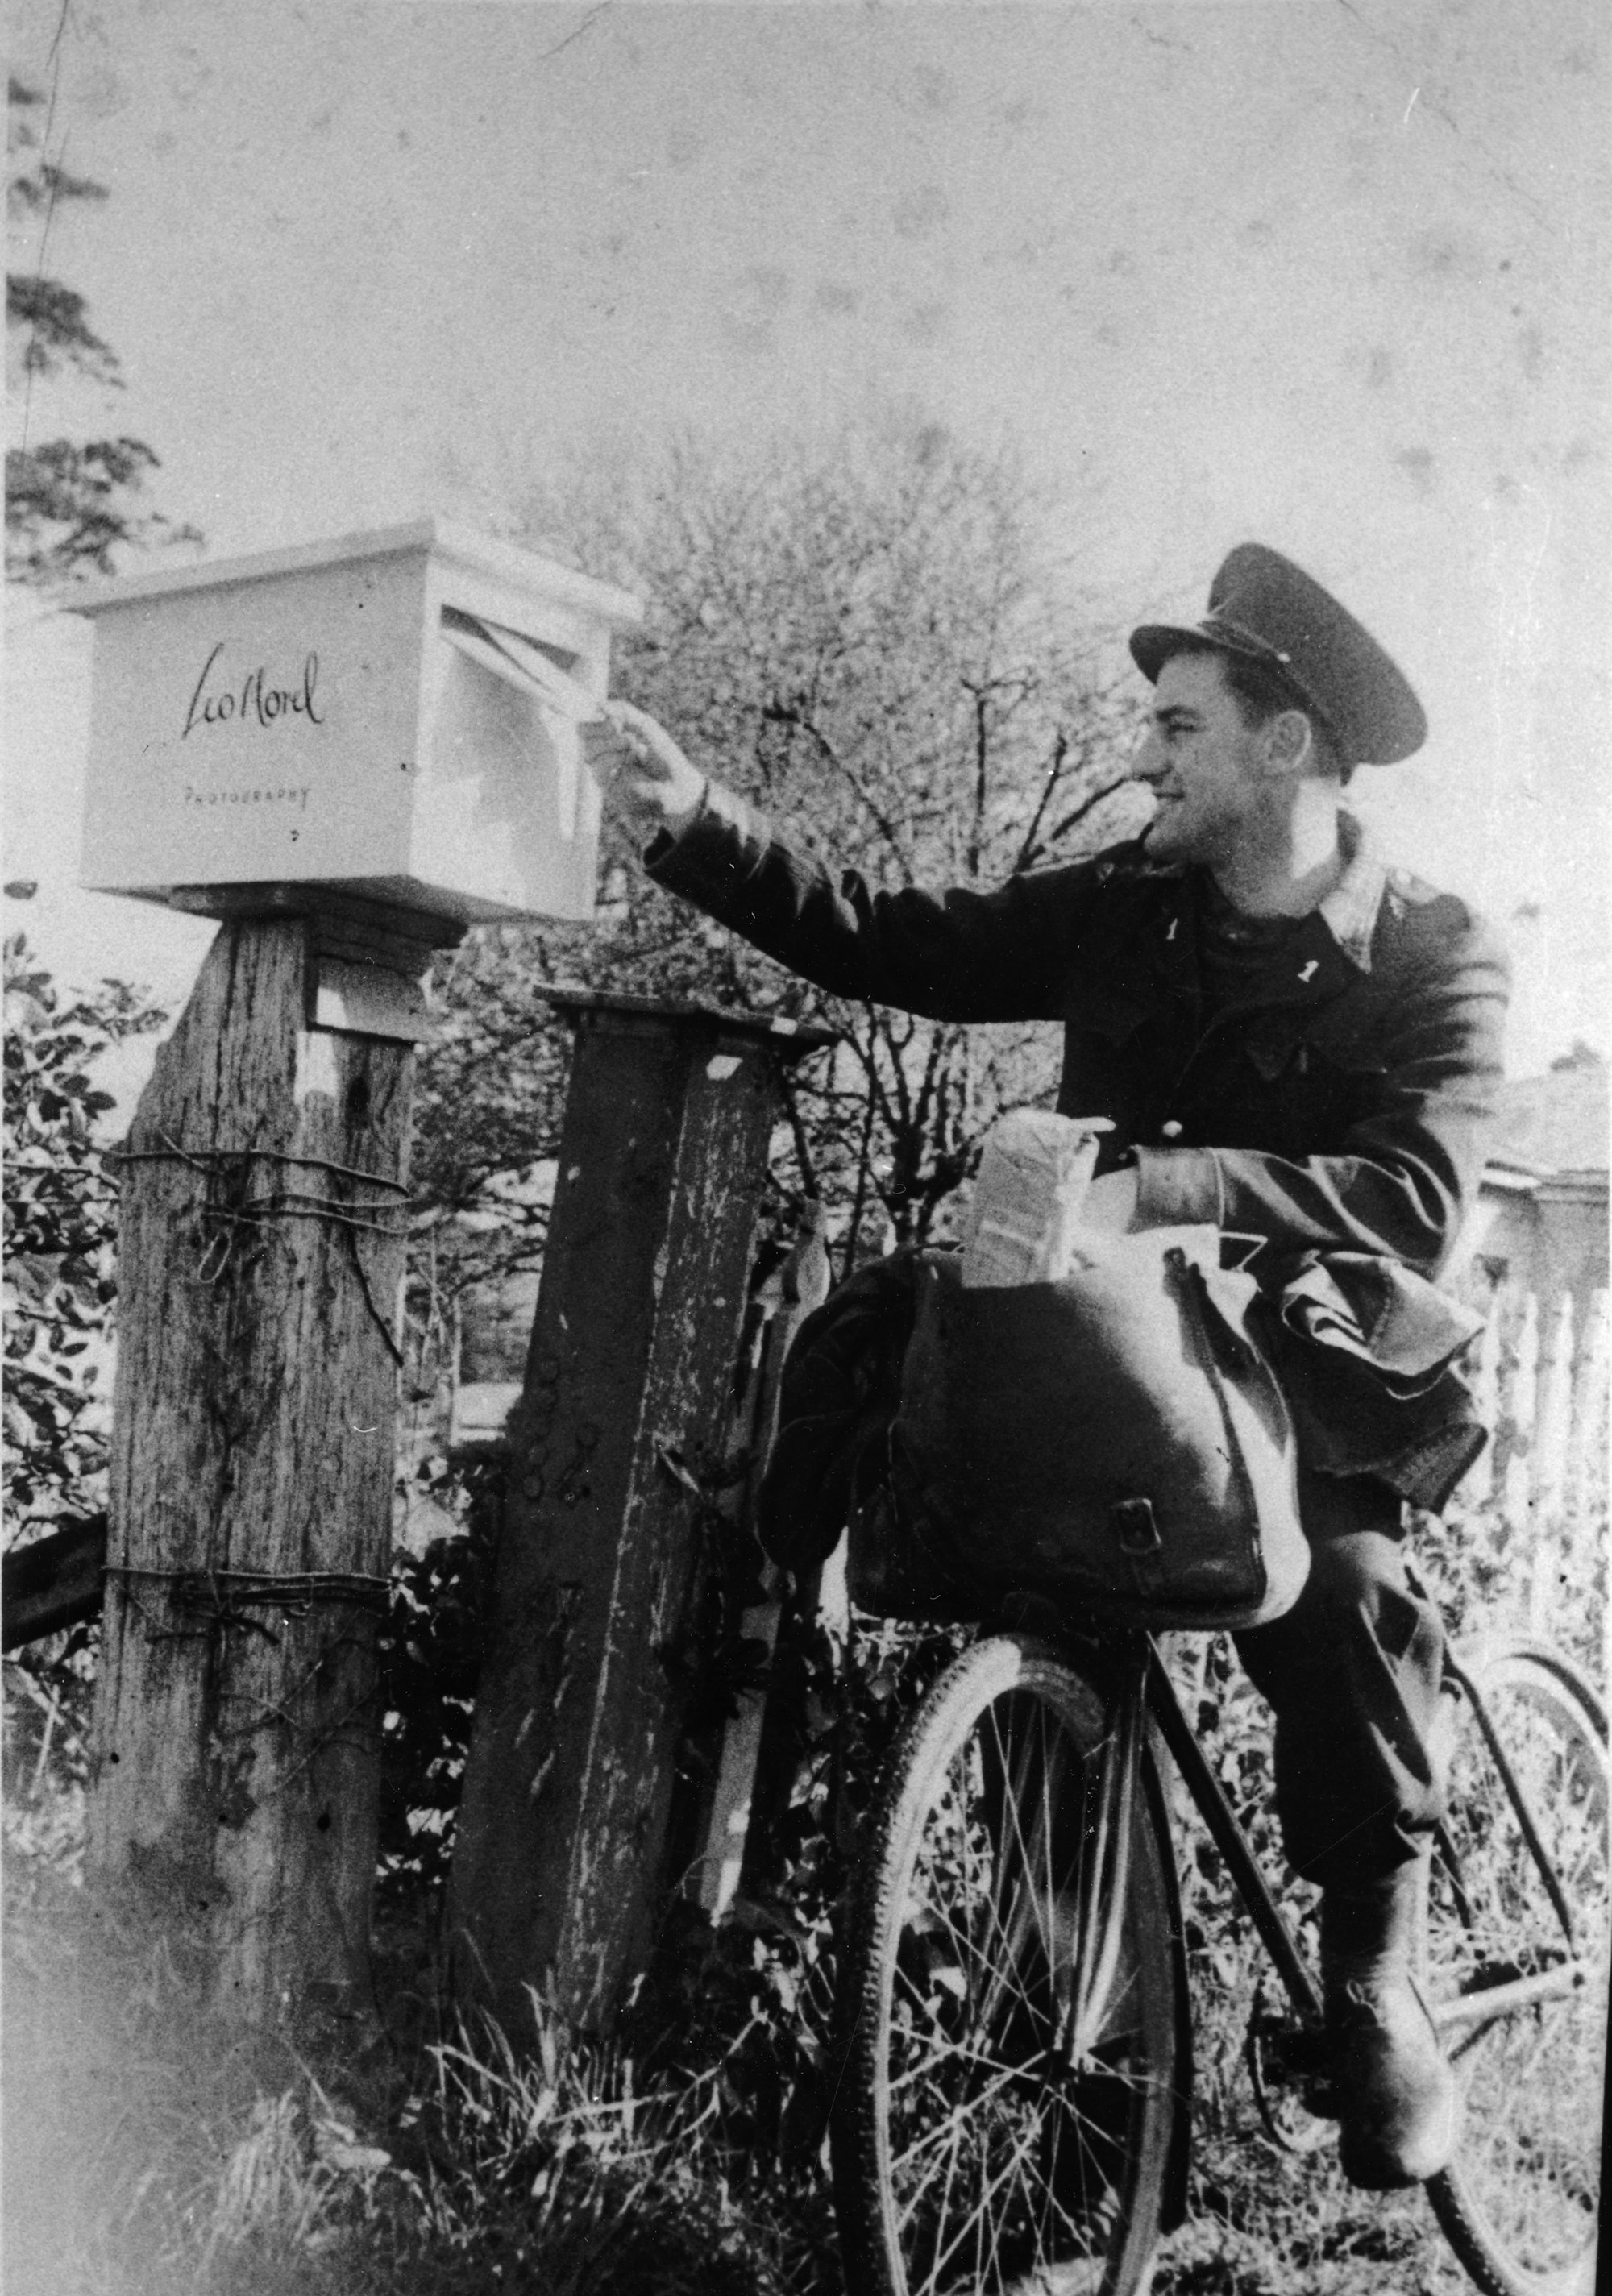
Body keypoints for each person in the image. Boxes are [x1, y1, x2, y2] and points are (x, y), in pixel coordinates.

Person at [599, 543, 1509, 2193]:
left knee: (1349, 1599)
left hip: (1307, 1372)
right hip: (1114, 1359)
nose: (1142, 754)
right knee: (1024, 1593)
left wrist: (1163, 1186)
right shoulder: (1122, 908)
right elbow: (897, 942)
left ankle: (1374, 1985)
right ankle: (1082, 2090)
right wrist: (695, 822)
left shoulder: (1436, 951)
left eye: (1176, 723)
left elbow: (1416, 1202)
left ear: (1282, 745)